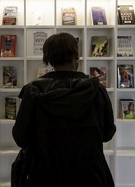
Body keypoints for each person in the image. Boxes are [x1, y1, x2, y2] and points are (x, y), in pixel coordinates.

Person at [12, 32, 116, 187]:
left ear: (49, 59)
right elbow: (107, 134)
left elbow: (21, 138)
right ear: (76, 56)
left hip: (45, 175)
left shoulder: (33, 91)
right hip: (89, 175)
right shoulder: (96, 90)